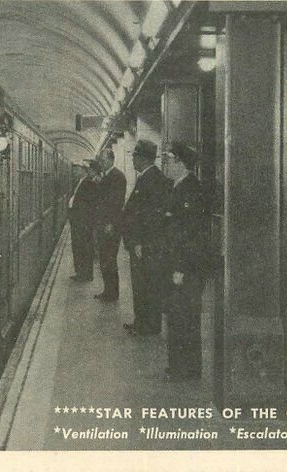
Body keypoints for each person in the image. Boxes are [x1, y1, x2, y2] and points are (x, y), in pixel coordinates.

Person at [160, 142, 209, 381]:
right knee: (178, 316)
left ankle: (186, 369)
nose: (165, 164)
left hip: (186, 267)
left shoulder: (191, 190)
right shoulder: (178, 187)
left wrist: (180, 267)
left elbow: (191, 233)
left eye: (168, 160)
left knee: (184, 317)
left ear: (180, 162)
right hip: (178, 264)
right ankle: (181, 366)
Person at [121, 139, 171, 335]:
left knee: (147, 285)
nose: (133, 159)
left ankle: (148, 325)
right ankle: (142, 321)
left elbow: (150, 216)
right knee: (143, 285)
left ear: (143, 158)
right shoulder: (147, 177)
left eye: (135, 156)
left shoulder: (152, 179)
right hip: (140, 242)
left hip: (144, 244)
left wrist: (140, 242)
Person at [93, 148, 127, 301]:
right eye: (101, 160)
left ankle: (112, 293)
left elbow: (116, 202)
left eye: (104, 160)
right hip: (103, 224)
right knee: (104, 258)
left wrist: (110, 223)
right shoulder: (107, 176)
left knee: (109, 259)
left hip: (110, 226)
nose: (102, 162)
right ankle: (108, 290)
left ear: (111, 160)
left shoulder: (118, 176)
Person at [68, 161, 98, 282]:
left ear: (83, 170)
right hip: (78, 222)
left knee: (84, 248)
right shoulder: (81, 182)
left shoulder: (89, 183)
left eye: (77, 169)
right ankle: (80, 272)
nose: (74, 171)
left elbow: (91, 204)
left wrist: (87, 222)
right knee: (79, 247)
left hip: (83, 223)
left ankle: (85, 274)